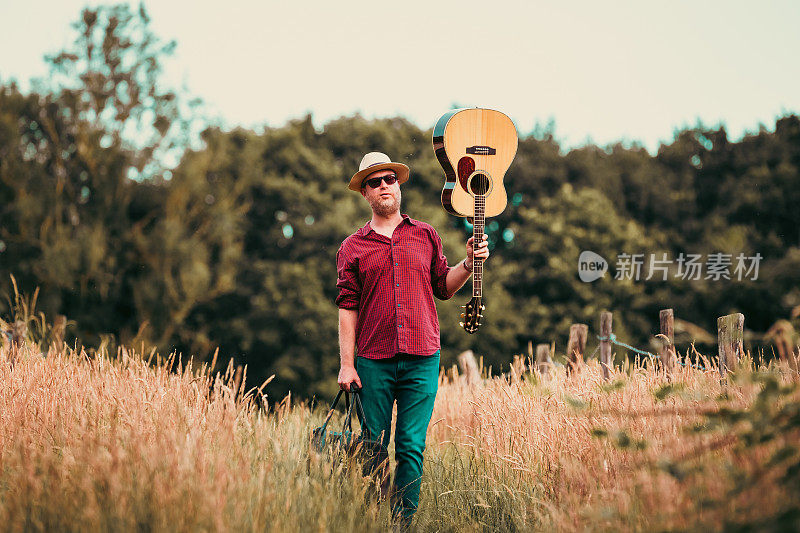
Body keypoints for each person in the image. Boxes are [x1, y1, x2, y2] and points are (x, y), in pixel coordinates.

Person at [335, 152, 489, 525]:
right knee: (373, 448)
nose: (384, 185)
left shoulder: (425, 235)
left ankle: (404, 523)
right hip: (373, 360)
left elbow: (444, 287)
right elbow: (347, 308)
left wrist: (469, 264)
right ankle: (376, 520)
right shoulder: (352, 247)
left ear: (399, 184)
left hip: (423, 356)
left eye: (390, 178)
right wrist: (346, 364)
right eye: (375, 181)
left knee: (410, 447)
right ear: (365, 193)